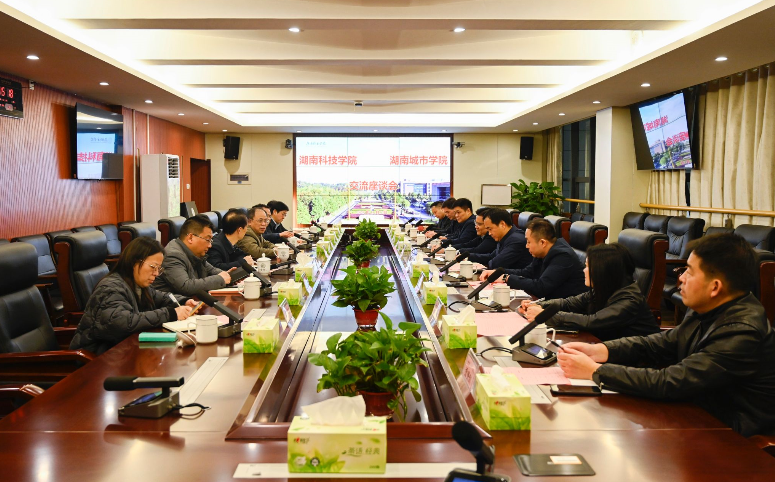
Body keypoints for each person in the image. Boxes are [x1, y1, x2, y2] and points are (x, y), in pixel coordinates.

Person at [557, 233, 775, 437]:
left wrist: (595, 371)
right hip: (693, 411)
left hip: (730, 435)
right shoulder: (707, 308)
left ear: (715, 287)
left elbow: (672, 381)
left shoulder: (742, 330)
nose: (681, 278)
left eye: (689, 271)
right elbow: (660, 343)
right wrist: (601, 350)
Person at [70, 237, 197, 355]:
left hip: (123, 350)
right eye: (153, 267)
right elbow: (122, 322)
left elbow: (161, 297)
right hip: (99, 357)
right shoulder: (111, 287)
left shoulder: (137, 284)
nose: (156, 273)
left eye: (159, 268)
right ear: (133, 262)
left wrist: (183, 301)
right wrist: (171, 313)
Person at [522, 243, 659, 341]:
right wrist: (538, 305)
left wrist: (544, 315)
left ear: (602, 270)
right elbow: (568, 303)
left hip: (637, 363)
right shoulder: (605, 289)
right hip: (606, 348)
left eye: (587, 266)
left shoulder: (630, 300)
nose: (584, 270)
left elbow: (592, 321)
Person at [482, 218, 586, 300]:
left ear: (542, 242)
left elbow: (541, 287)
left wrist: (506, 278)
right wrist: (498, 273)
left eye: (528, 242)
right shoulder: (543, 252)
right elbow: (527, 272)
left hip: (566, 310)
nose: (526, 246)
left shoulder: (563, 256)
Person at [153, 215, 233, 296]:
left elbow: (212, 270)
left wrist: (228, 275)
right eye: (207, 240)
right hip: (174, 303)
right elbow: (186, 286)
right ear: (190, 238)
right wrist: (220, 279)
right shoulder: (173, 255)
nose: (210, 245)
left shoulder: (195, 253)